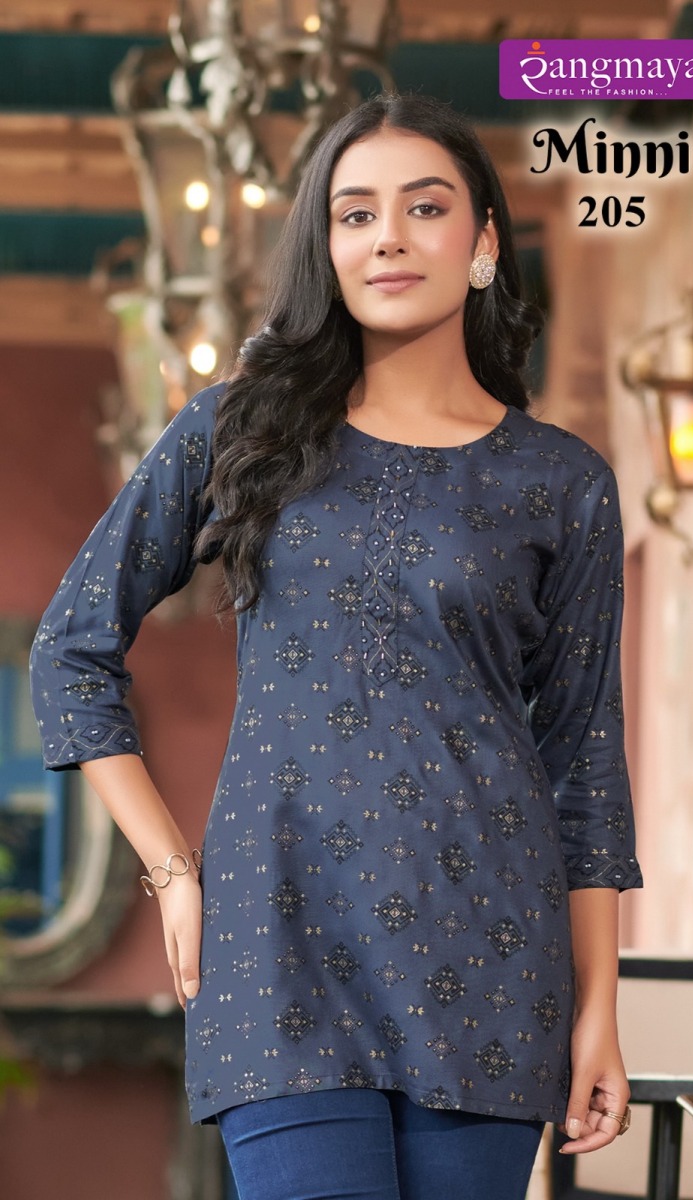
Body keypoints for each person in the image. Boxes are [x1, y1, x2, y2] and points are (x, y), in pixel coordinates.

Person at [30, 91, 642, 1200]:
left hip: (490, 956)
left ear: (482, 242)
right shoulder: (239, 430)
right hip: (278, 947)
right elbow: (71, 646)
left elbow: (584, 762)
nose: (388, 237)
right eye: (355, 214)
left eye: (424, 208)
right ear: (326, 248)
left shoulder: (560, 482)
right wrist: (172, 871)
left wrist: (600, 1007)